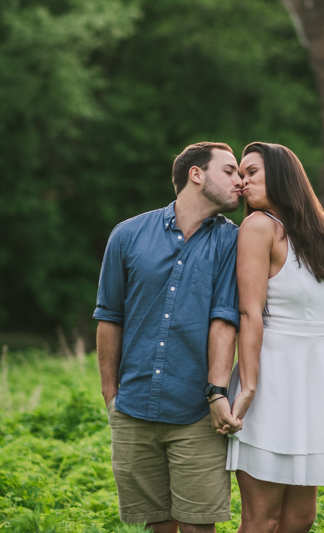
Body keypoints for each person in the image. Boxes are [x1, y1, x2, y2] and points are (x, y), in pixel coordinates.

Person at [93, 142, 243, 533]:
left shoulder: (234, 241)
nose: (240, 180)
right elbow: (110, 317)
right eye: (229, 171)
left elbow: (225, 319)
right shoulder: (126, 235)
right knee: (157, 525)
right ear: (197, 174)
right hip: (133, 408)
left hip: (198, 413)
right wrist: (111, 397)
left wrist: (216, 392)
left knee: (197, 527)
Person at [226, 142, 324, 533]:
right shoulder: (258, 227)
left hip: (314, 385)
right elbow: (249, 313)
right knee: (262, 519)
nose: (242, 181)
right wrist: (247, 387)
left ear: (282, 175)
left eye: (251, 172)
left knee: (302, 519)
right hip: (270, 382)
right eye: (239, 174)